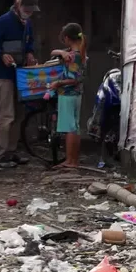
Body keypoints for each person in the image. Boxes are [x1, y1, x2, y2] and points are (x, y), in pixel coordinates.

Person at [0, 0, 39, 168]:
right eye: (26, 9)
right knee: (5, 115)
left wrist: (30, 53)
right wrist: (1, 55)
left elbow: (29, 43)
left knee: (18, 115)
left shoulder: (27, 23)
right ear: (18, 5)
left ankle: (11, 151)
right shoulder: (4, 21)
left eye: (31, 11)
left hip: (21, 75)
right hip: (4, 76)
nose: (28, 13)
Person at [49, 23, 86, 169]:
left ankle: (70, 162)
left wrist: (58, 83)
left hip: (68, 93)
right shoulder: (79, 52)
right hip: (77, 94)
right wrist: (62, 52)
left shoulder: (73, 56)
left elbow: (74, 79)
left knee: (70, 128)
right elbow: (54, 52)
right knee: (75, 127)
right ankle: (73, 161)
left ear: (66, 38)